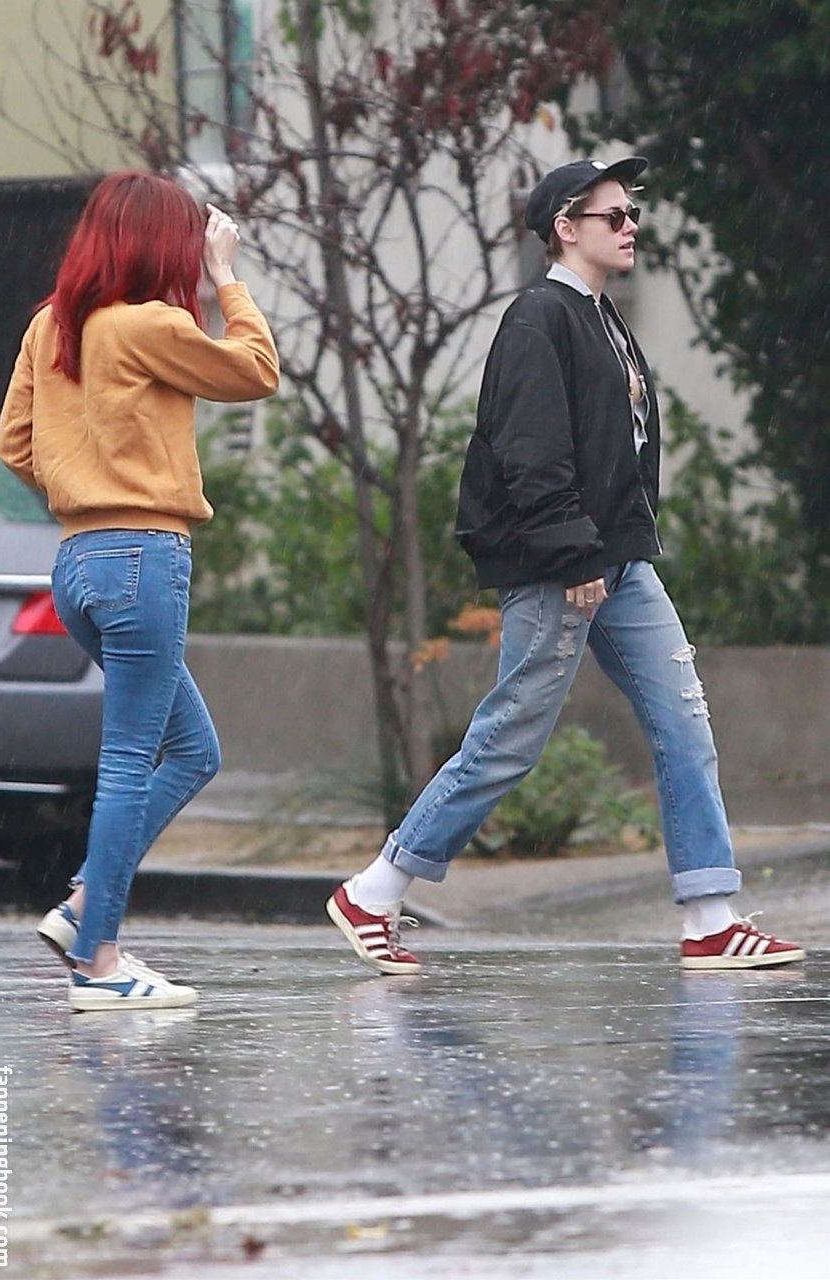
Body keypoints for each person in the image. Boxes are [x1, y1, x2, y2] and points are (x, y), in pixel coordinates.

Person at [327, 156, 804, 975]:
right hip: (564, 564)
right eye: (613, 216)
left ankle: (709, 917)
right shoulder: (538, 318)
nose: (630, 227)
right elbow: (531, 449)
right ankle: (374, 891)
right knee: (511, 734)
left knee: (683, 721)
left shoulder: (599, 316)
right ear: (564, 228)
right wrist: (571, 549)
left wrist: (611, 544)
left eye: (632, 214)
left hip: (620, 562)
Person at [0, 171, 279, 1011]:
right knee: (129, 762)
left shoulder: (52, 324)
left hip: (76, 561)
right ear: (160, 246)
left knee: (193, 750)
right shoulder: (149, 324)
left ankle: (85, 907)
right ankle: (99, 963)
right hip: (142, 556)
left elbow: (15, 446)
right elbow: (256, 369)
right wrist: (227, 276)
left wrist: (82, 482)